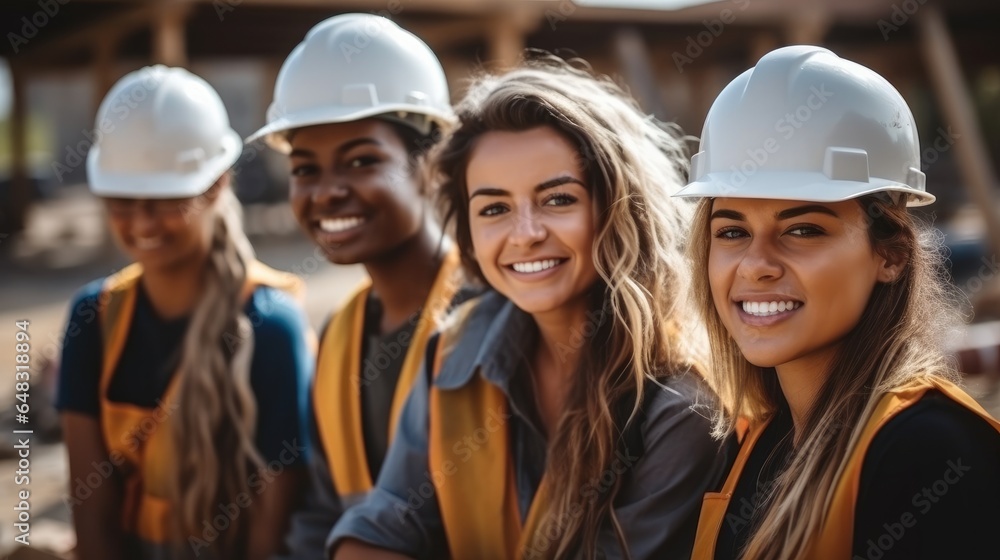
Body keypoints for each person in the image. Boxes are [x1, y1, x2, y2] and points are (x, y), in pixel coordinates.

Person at [329, 55, 734, 560]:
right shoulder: (452, 351)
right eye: (494, 208)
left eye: (558, 200)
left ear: (617, 206)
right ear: (469, 235)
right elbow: (389, 521)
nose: (525, 235)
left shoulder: (678, 407)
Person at [675, 45, 1000, 559]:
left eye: (803, 230)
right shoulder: (759, 443)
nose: (757, 264)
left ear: (890, 254)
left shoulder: (927, 452)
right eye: (733, 231)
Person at [57, 66, 314, 560]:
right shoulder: (94, 317)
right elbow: (92, 514)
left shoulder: (270, 325)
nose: (142, 222)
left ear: (217, 186)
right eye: (123, 202)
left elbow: (270, 533)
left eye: (164, 201)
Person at [245, 15, 469, 558]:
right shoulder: (342, 332)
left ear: (431, 163)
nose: (326, 193)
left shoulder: (486, 315)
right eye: (305, 170)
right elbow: (324, 513)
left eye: (362, 161)